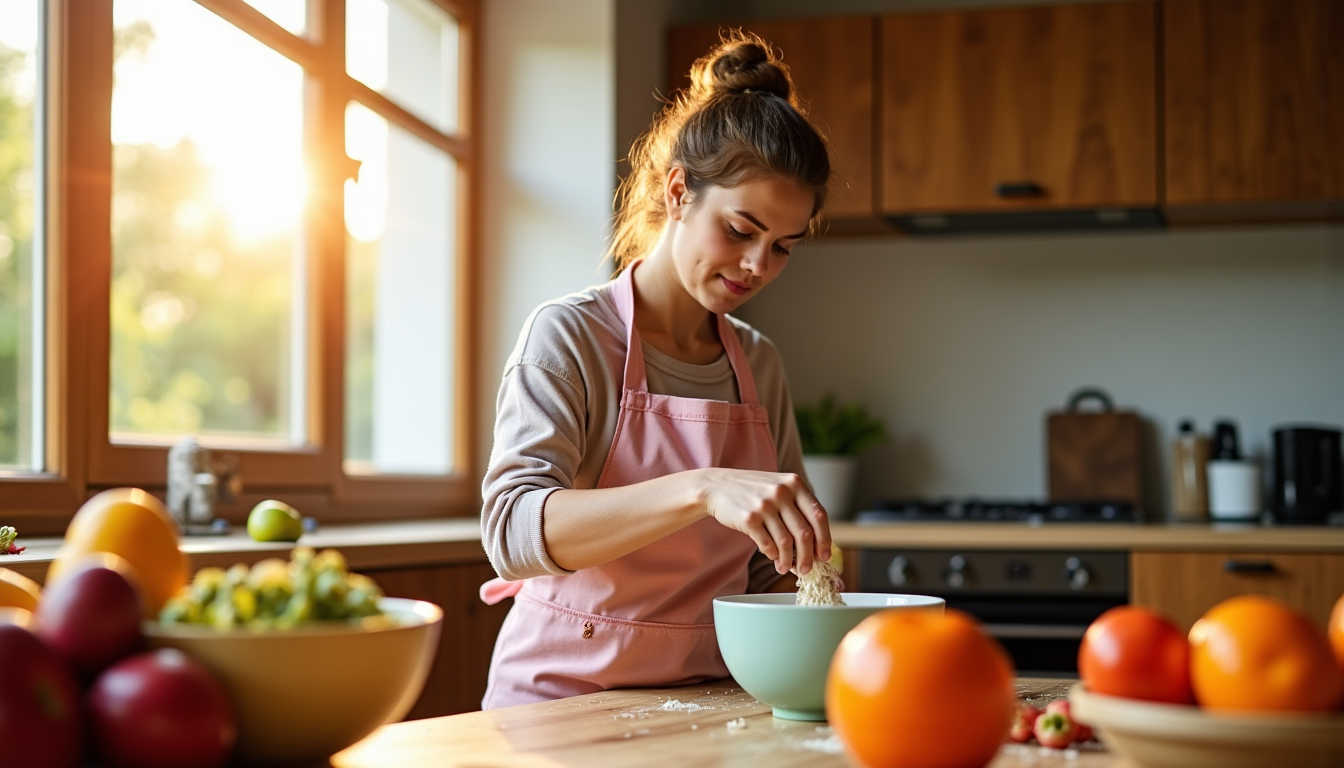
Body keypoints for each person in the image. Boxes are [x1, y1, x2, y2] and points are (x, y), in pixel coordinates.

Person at [478, 32, 834, 709]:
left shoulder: (758, 362)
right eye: (740, 230)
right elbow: (512, 534)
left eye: (783, 246)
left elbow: (770, 570)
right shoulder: (571, 336)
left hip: (711, 704)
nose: (760, 265)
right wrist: (700, 487)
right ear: (678, 192)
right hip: (561, 706)